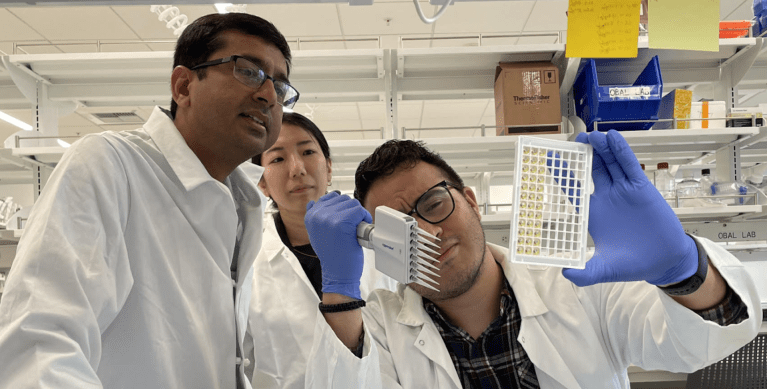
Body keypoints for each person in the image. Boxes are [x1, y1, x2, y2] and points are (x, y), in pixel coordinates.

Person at [302, 130, 762, 388]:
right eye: (400, 226)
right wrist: (339, 291)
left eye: (434, 204)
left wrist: (682, 270)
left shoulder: (576, 284)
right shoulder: (381, 328)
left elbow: (695, 346)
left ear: (470, 201)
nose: (427, 232)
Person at [0, 13, 298, 389]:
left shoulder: (242, 203)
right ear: (184, 86)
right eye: (248, 71)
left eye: (281, 86)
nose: (269, 95)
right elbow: (38, 346)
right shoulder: (111, 165)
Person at [243, 112, 396, 388]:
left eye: (308, 151)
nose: (297, 168)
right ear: (262, 183)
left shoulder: (378, 244)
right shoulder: (247, 264)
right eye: (277, 158)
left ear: (328, 167)